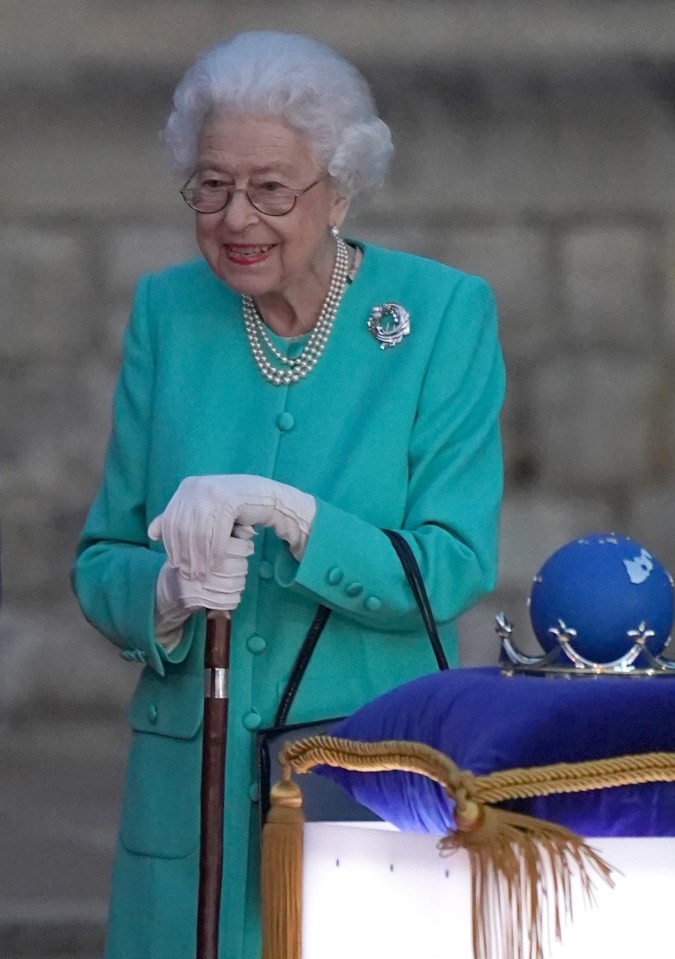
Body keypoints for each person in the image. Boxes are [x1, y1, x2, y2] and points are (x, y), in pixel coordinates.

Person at [73, 30, 504, 959]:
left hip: (361, 779)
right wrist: (167, 593)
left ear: (339, 189)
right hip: (187, 800)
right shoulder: (167, 311)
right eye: (211, 186)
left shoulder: (438, 317)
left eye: (271, 188)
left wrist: (294, 516)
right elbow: (102, 554)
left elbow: (453, 565)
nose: (237, 217)